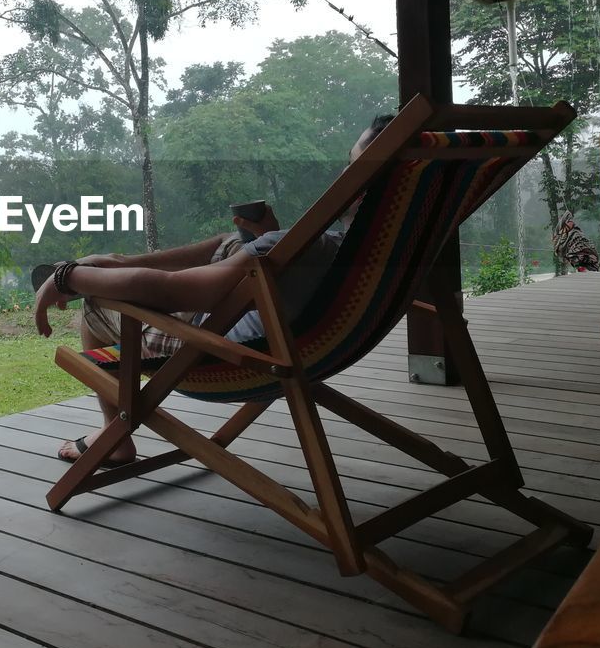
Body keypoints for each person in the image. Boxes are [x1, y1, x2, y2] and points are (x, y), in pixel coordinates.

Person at [35, 114, 396, 466]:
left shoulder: (311, 247)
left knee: (95, 308)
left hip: (226, 352)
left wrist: (69, 277)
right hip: (298, 337)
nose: (343, 176)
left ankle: (115, 435)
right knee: (230, 244)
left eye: (353, 166)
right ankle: (115, 261)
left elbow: (171, 291)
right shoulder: (379, 249)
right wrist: (272, 243)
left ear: (371, 183)